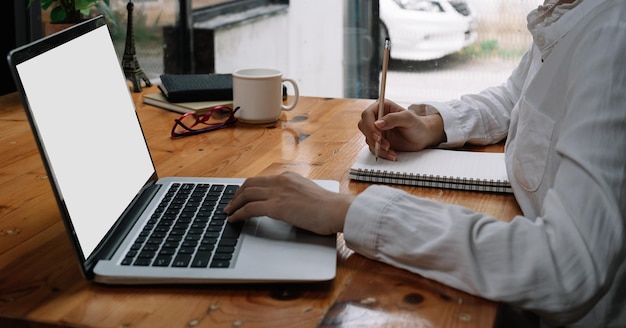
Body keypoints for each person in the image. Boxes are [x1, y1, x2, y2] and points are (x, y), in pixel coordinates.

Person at [225, 0, 626, 326]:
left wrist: (347, 209)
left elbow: (565, 268)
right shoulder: (569, 12)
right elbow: (514, 97)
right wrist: (432, 125)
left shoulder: (612, 38)